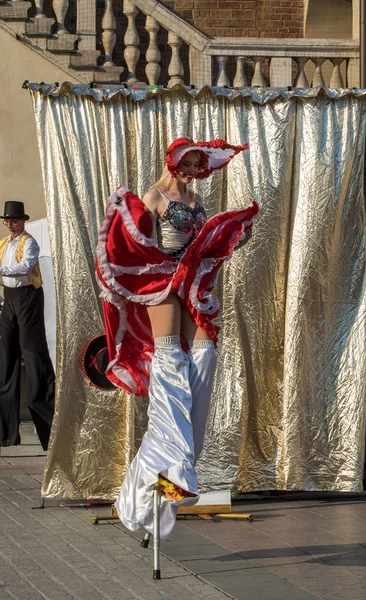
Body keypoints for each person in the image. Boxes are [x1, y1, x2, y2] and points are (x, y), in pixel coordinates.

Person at [96, 138, 258, 539]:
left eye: (200, 161)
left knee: (203, 362)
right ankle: (160, 470)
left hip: (195, 283)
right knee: (169, 369)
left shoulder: (197, 196)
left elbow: (203, 241)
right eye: (189, 160)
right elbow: (140, 244)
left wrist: (233, 237)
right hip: (164, 284)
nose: (195, 166)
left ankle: (178, 472)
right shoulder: (155, 195)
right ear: (174, 161)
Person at [0, 201, 55, 450]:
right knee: (6, 356)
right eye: (9, 220)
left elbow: (24, 267)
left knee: (33, 353)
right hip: (10, 299)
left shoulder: (29, 242)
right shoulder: (3, 243)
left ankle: (46, 427)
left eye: (16, 220)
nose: (12, 224)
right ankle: (7, 433)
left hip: (28, 297)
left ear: (23, 221)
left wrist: (1, 269)